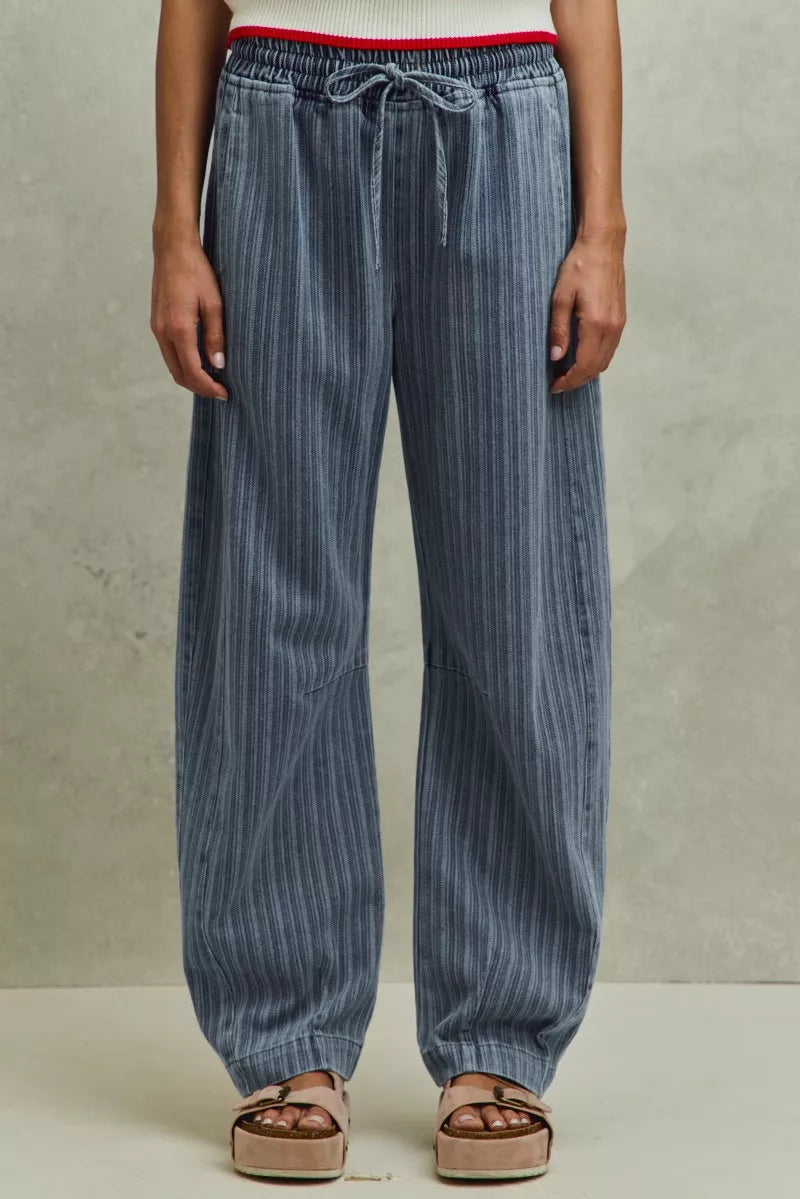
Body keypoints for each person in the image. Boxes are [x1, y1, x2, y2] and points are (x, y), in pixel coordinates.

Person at [150, 0, 625, 1182]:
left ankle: (499, 1036)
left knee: (513, 598)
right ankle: (289, 1035)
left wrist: (601, 227)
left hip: (506, 116)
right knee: (274, 602)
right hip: (277, 118)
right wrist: (174, 229)